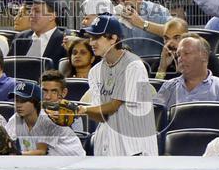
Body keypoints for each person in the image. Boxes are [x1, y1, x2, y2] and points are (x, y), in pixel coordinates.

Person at [55, 14, 157, 156]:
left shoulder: (133, 66)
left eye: (97, 37)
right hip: (106, 147)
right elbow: (101, 116)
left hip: (134, 150)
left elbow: (114, 106)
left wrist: (80, 109)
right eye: (90, 38)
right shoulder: (95, 72)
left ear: (113, 39)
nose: (91, 43)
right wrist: (74, 111)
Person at [5, 80, 85, 156]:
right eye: (16, 100)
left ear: (36, 102)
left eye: (23, 101)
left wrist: (15, 155)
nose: (18, 105)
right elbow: (5, 140)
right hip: (50, 163)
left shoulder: (47, 118)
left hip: (74, 161)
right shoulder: (16, 118)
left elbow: (41, 152)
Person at [156, 34, 219, 110]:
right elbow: (155, 118)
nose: (180, 59)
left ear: (204, 56)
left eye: (186, 53)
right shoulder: (168, 87)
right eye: (178, 55)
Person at [10, 0, 69, 71]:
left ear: (51, 16)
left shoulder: (64, 42)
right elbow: (8, 68)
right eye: (31, 11)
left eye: (37, 11)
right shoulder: (20, 38)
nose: (31, 14)